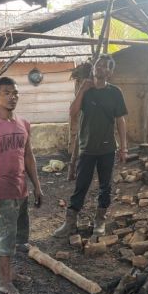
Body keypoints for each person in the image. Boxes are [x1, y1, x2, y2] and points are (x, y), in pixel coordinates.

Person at [54, 54, 127, 238]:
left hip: (107, 148)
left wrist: (124, 147)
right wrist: (82, 90)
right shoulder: (85, 91)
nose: (99, 68)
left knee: (105, 186)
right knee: (81, 185)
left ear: (110, 72)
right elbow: (72, 113)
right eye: (98, 64)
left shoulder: (115, 93)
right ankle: (70, 222)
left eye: (104, 66)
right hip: (86, 147)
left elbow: (120, 121)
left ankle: (100, 221)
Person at [0, 76, 43, 294]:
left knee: (18, 236)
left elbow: (28, 156)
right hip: (0, 190)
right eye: (7, 93)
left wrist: (37, 186)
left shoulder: (23, 124)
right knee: (4, 237)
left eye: (15, 93)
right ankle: (4, 280)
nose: (12, 97)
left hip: (21, 189)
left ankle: (12, 272)